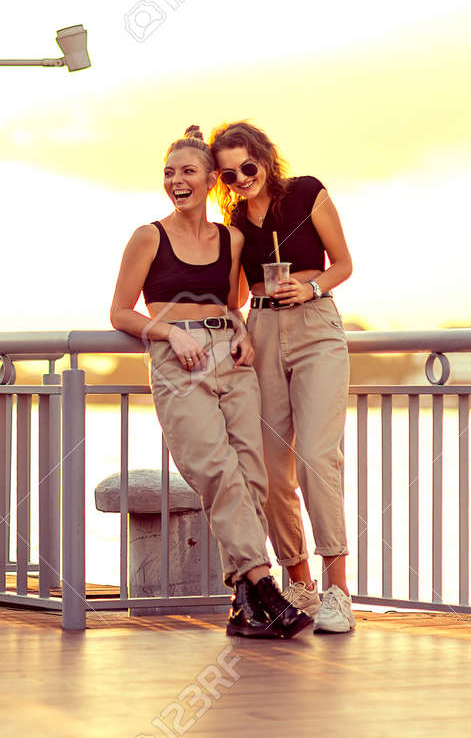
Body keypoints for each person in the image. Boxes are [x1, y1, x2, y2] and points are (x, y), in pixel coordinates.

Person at [110, 125, 313, 639]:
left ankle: (244, 607)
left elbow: (231, 302)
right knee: (218, 472)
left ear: (209, 181)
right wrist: (168, 333)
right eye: (169, 173)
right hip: (179, 363)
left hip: (233, 359)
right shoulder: (148, 237)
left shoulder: (231, 238)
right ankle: (265, 586)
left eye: (187, 172)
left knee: (253, 477)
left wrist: (241, 329)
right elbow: (120, 312)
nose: (176, 181)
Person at [211, 120, 356, 633]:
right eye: (228, 174)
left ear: (265, 158)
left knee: (316, 457)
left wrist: (311, 288)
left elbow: (343, 264)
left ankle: (338, 591)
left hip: (316, 326)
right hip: (263, 330)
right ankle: (300, 584)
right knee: (271, 469)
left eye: (247, 166)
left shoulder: (307, 193)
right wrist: (237, 324)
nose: (241, 179)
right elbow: (233, 296)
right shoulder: (234, 222)